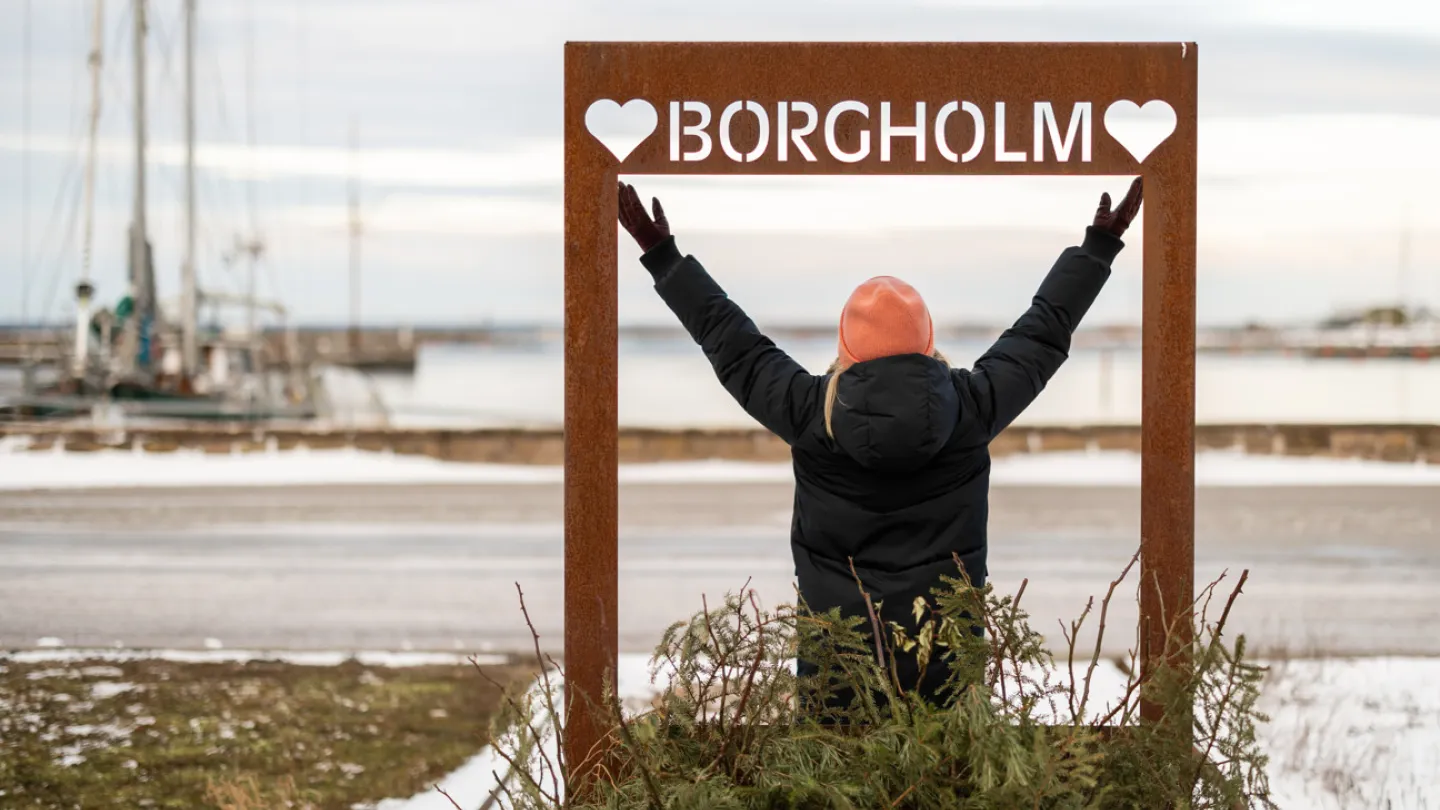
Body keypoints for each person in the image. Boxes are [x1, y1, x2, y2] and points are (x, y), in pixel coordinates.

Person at [617, 177, 1144, 713]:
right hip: (948, 675)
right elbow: (1040, 334)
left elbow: (734, 346)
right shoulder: (972, 407)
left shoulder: (811, 412)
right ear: (927, 340)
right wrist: (1098, 248)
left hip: (836, 676)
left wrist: (663, 257)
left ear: (847, 347)